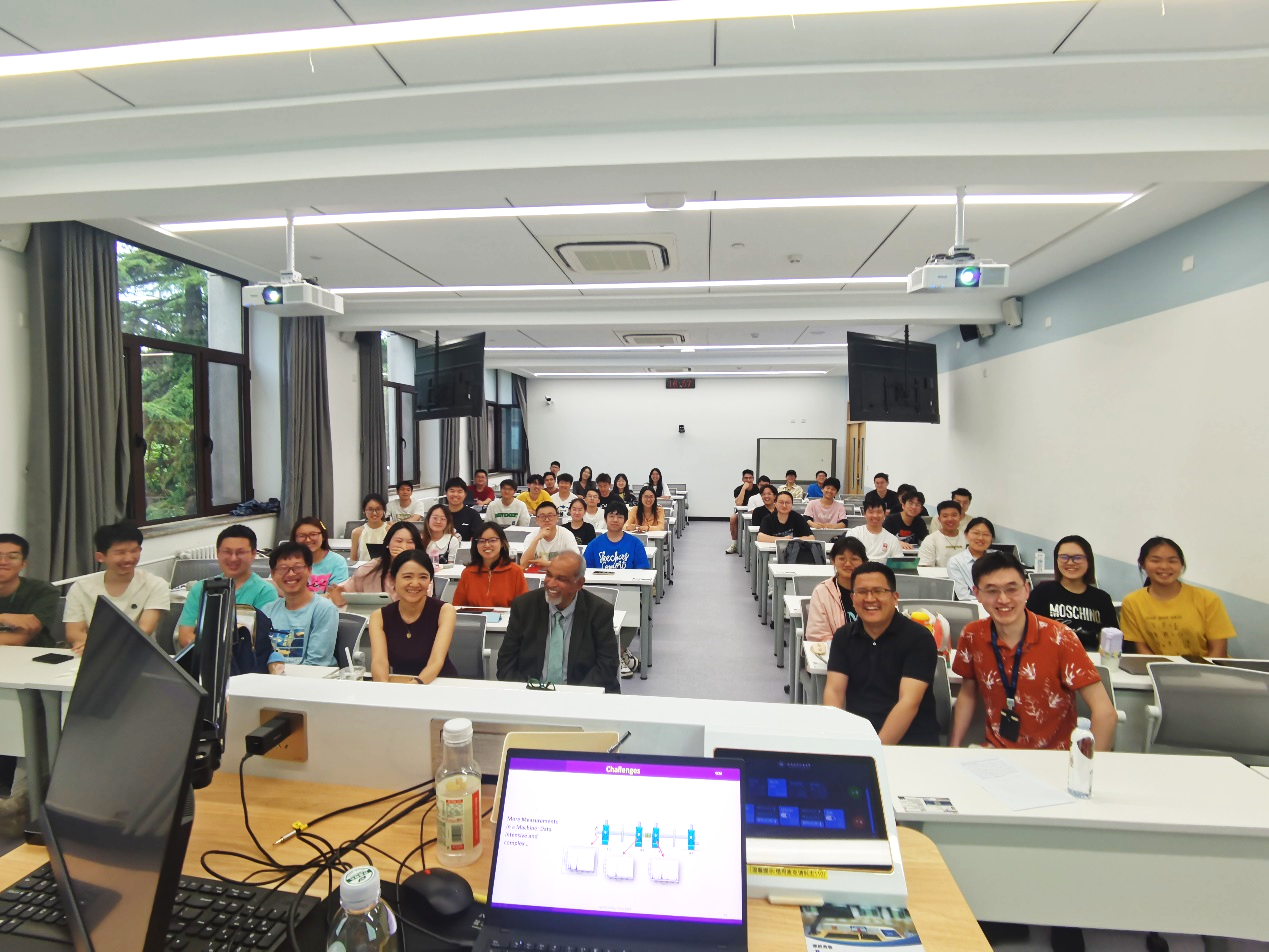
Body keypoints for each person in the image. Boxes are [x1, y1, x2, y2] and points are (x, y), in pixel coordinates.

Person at [950, 551, 1116, 751]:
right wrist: (954, 747)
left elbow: (1105, 712)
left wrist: (1087, 765)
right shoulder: (972, 635)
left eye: (1012, 589)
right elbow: (967, 694)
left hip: (1055, 756)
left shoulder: (1060, 637)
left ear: (1026, 590)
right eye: (992, 591)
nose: (1003, 599)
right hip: (996, 752)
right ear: (977, 593)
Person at [822, 562, 940, 745]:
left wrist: (876, 751)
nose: (870, 599)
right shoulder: (843, 637)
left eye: (878, 591)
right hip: (858, 737)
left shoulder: (919, 638)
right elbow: (834, 692)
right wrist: (836, 741)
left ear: (895, 597)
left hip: (911, 744)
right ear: (852, 598)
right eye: (862, 592)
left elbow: (908, 703)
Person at [497, 551, 619, 692]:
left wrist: (573, 697)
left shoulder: (599, 612)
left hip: (581, 694)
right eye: (549, 575)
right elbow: (506, 663)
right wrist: (528, 693)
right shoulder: (524, 606)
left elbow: (607, 666)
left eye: (561, 579)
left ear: (579, 584)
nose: (550, 583)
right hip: (530, 693)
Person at [1120, 537, 1236, 657]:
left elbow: (1218, 651)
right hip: (1158, 667)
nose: (1164, 566)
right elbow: (1142, 649)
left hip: (1208, 667)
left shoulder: (1207, 599)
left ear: (1181, 565)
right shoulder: (1132, 602)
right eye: (1155, 560)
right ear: (1142, 564)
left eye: (1172, 561)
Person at [64, 522, 169, 651]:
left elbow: (144, 630)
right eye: (120, 553)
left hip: (138, 653)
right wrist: (97, 648)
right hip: (92, 654)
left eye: (134, 551)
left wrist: (98, 645)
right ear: (100, 557)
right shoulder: (81, 587)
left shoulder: (155, 584)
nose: (129, 558)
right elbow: (73, 632)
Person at [176, 524, 277, 649]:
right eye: (227, 552)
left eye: (240, 552)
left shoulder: (264, 591)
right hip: (203, 658)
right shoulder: (200, 588)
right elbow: (185, 637)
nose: (233, 558)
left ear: (253, 554)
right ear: (218, 553)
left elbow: (260, 641)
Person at [368, 551, 457, 682]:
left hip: (439, 682)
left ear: (430, 581)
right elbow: (379, 662)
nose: (415, 584)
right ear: (393, 579)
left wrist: (415, 685)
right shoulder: (379, 617)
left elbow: (436, 661)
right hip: (401, 682)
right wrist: (384, 688)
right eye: (407, 577)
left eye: (423, 577)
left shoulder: (445, 611)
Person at [1026, 536, 1119, 651]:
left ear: (1088, 561)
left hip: (1090, 659)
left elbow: (1113, 642)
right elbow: (1027, 633)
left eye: (1077, 558)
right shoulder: (1042, 593)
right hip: (1051, 656)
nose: (1070, 562)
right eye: (1064, 557)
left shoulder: (1102, 599)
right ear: (1057, 560)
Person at [261, 542, 339, 666]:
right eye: (283, 568)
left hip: (312, 676)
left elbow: (316, 664)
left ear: (309, 570)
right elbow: (259, 655)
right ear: (273, 574)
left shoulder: (323, 609)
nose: (291, 574)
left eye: (297, 567)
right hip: (271, 676)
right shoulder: (267, 610)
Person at [328, 521, 422, 608]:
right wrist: (339, 596)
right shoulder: (370, 568)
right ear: (388, 543)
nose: (403, 546)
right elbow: (346, 596)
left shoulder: (422, 569)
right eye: (399, 541)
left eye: (410, 542)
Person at [0, 534, 59, 648]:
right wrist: (3, 618)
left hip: (34, 654)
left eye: (12, 557)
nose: (3, 562)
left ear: (23, 564)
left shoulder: (43, 590)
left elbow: (18, 640)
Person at [805, 536, 868, 642]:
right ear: (833, 561)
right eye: (842, 559)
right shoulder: (822, 592)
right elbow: (817, 636)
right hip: (835, 650)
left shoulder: (874, 590)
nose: (848, 564)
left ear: (863, 562)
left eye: (854, 559)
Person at [453, 524, 529, 607]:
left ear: (502, 543)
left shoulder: (515, 571)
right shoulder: (468, 573)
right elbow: (458, 606)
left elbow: (524, 607)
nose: (487, 545)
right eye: (481, 541)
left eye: (492, 540)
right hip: (475, 616)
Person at [584, 504, 651, 571]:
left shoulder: (636, 544)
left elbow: (643, 570)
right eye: (611, 516)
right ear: (605, 519)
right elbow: (585, 571)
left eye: (620, 517)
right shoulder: (593, 545)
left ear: (625, 520)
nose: (615, 520)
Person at [290, 517, 349, 594]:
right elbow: (279, 589)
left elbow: (335, 594)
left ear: (323, 536)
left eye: (313, 534)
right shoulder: (287, 560)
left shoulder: (337, 561)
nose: (308, 540)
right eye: (302, 536)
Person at [520, 501, 581, 570]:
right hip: (537, 575)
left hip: (561, 574)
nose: (546, 519)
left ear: (557, 518)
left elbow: (576, 563)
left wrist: (548, 564)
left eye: (550, 516)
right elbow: (523, 564)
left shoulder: (566, 535)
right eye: (542, 516)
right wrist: (537, 539)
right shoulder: (532, 537)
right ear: (536, 520)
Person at [947, 516, 995, 601]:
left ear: (992, 538)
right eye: (976, 533)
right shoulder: (956, 562)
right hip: (975, 606)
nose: (980, 538)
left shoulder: (998, 558)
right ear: (966, 534)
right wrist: (990, 602)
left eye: (986, 534)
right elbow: (964, 597)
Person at [918, 501, 966, 568]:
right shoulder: (930, 540)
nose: (950, 519)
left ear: (960, 517)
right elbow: (925, 568)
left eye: (954, 515)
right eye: (945, 516)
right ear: (939, 519)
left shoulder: (968, 538)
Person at [725, 469, 761, 554]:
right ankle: (735, 544)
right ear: (742, 479)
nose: (748, 480)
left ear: (753, 478)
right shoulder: (738, 489)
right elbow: (739, 503)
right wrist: (744, 489)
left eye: (750, 478)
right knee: (733, 518)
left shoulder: (758, 488)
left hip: (756, 512)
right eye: (746, 478)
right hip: (743, 512)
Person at [350, 493, 390, 561]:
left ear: (383, 510)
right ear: (364, 511)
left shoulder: (390, 530)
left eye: (378, 509)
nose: (374, 513)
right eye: (370, 509)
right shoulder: (357, 532)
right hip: (363, 567)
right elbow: (353, 559)